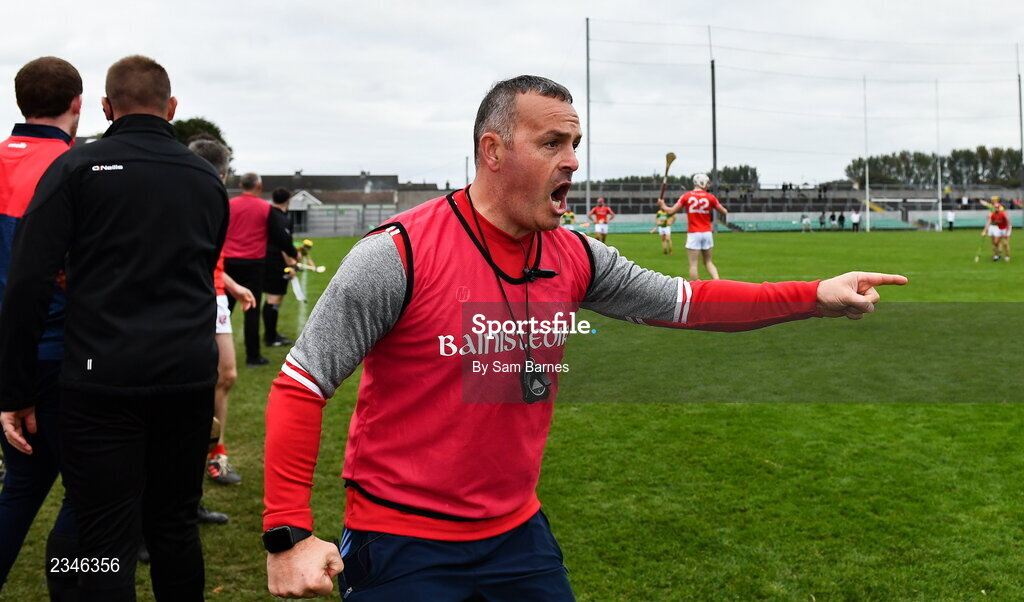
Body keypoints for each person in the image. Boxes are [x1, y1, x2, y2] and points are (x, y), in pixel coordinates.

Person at [261, 75, 906, 600]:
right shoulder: (398, 253)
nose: (572, 160)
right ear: (493, 151)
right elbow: (302, 381)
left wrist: (815, 294)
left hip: (516, 534)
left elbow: (685, 301)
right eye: (552, 143)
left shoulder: (574, 255)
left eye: (575, 143)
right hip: (402, 542)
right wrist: (287, 535)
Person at [0, 55, 228, 601]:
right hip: (185, 378)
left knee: (100, 535)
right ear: (172, 109)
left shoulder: (78, 167)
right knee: (173, 526)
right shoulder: (205, 176)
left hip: (102, 379)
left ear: (105, 108)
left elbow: (29, 283)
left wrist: (14, 388)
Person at [0, 55, 81, 598]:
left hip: (9, 356)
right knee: (92, 491)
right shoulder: (73, 169)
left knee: (23, 485)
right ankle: (75, 582)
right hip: (58, 351)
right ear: (77, 104)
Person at [188, 138, 255, 490]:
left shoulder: (217, 204)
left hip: (214, 297)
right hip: (186, 298)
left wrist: (231, 286)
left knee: (226, 375)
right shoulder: (181, 199)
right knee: (187, 381)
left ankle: (216, 453)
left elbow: (211, 259)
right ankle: (187, 460)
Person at [222, 173, 299, 366]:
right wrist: (293, 253)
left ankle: (211, 351)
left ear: (241, 185)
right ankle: (253, 356)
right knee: (252, 309)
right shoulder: (265, 208)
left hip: (228, 263)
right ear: (259, 186)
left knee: (224, 308)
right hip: (253, 264)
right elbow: (281, 237)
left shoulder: (229, 204)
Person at [658, 173, 728, 281]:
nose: (708, 185)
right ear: (702, 182)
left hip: (694, 233)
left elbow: (671, 211)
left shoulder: (687, 196)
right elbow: (724, 212)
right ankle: (718, 283)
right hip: (707, 233)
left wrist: (662, 205)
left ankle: (695, 291)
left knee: (693, 264)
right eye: (707, 182)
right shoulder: (710, 197)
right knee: (708, 262)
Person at [262, 188, 298, 348]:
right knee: (274, 298)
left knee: (274, 298)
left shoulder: (272, 214)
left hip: (271, 260)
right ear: (288, 200)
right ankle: (270, 338)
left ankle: (271, 333)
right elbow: (282, 242)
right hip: (275, 262)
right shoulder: (280, 218)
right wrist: (293, 257)